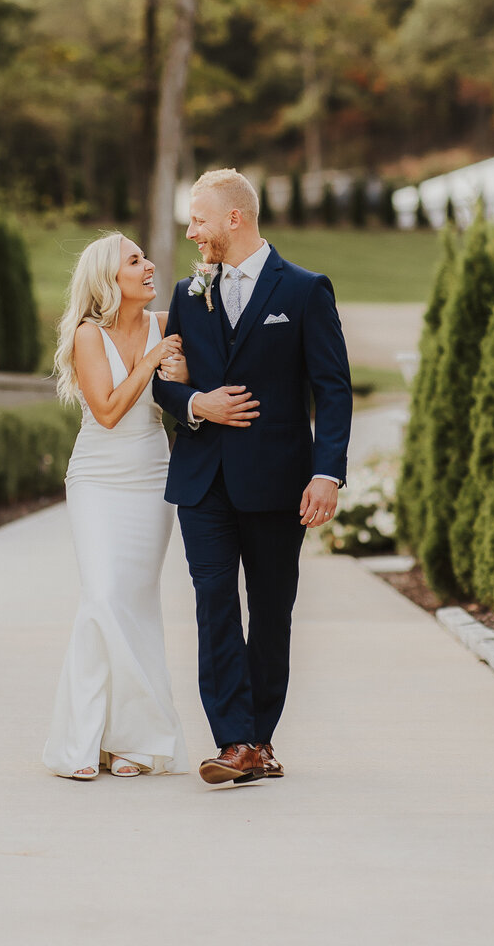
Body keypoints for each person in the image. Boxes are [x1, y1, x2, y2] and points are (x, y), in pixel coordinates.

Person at [153, 168, 352, 785]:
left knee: (270, 610)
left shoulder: (304, 290)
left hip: (276, 482)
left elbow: (333, 389)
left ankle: (260, 741)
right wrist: (194, 403)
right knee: (213, 602)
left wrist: (328, 473)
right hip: (203, 479)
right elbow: (165, 379)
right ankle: (233, 741)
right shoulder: (190, 294)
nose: (192, 233)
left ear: (233, 219)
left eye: (199, 220)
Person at [42, 233, 189, 780]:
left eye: (145, 258)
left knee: (135, 602)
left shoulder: (169, 320)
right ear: (110, 279)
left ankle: (134, 740)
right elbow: (106, 410)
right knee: (102, 596)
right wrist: (153, 359)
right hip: (99, 478)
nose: (150, 266)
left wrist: (181, 375)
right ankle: (79, 742)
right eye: (135, 260)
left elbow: (188, 382)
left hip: (153, 476)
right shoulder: (88, 334)